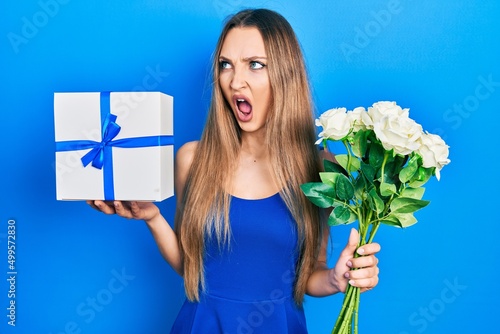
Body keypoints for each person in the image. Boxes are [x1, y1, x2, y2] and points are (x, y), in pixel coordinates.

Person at [88, 8, 380, 333]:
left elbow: (310, 273)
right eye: (226, 65)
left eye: (255, 65)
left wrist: (338, 279)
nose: (235, 81)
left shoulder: (322, 167)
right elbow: (192, 268)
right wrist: (153, 218)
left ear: (285, 73)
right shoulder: (192, 159)